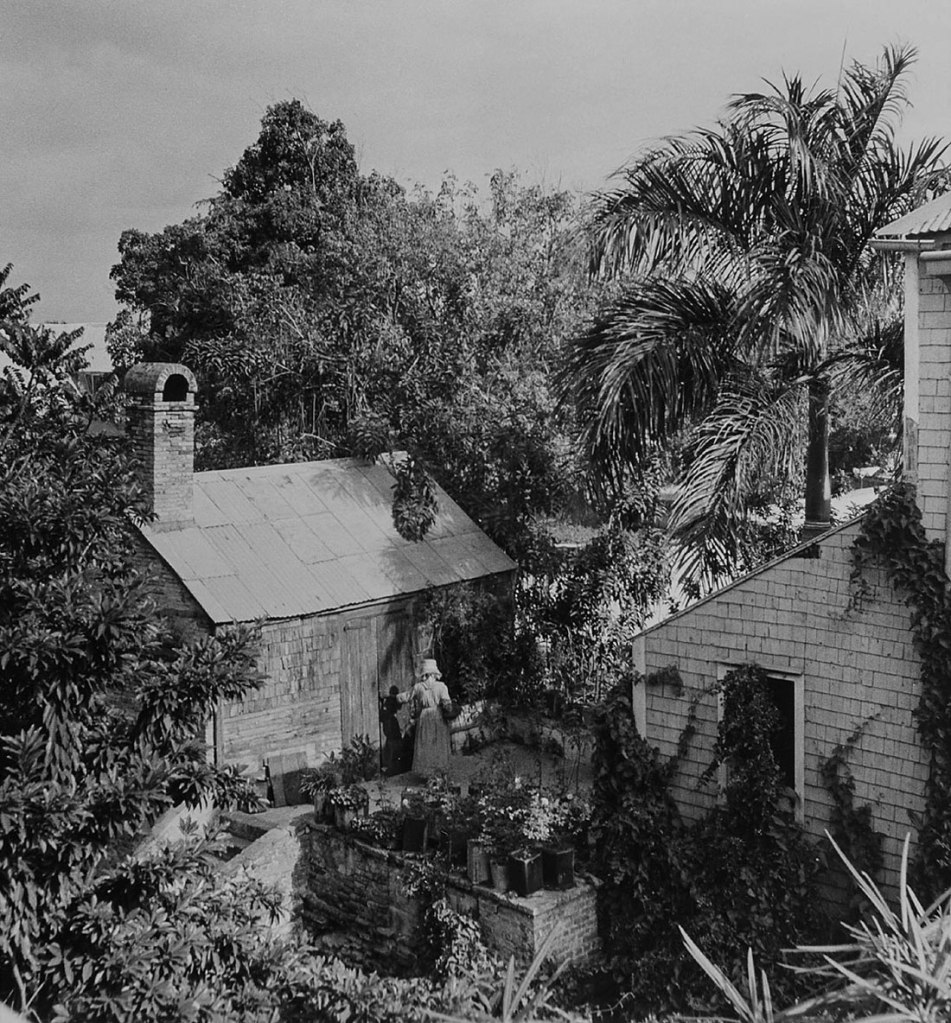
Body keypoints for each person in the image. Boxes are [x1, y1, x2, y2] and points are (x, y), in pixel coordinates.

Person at [400, 658, 453, 779]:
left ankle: (428, 774)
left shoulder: (418, 687)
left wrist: (395, 697)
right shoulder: (441, 687)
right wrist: (449, 707)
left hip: (424, 717)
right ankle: (439, 772)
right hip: (437, 716)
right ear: (434, 674)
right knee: (438, 742)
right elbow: (447, 704)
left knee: (426, 743)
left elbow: (406, 697)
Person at [379, 685, 404, 776]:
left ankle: (392, 767)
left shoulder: (388, 701)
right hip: (391, 725)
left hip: (389, 726)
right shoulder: (392, 701)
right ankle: (393, 768)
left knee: (391, 745)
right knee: (394, 745)